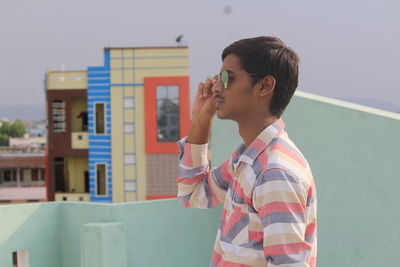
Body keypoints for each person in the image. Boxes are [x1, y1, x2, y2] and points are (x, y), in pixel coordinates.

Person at [176, 36, 317, 267]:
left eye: (227, 78)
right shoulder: (247, 160)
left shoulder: (274, 173)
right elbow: (193, 195)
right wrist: (201, 121)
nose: (217, 86)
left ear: (264, 86)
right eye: (218, 77)